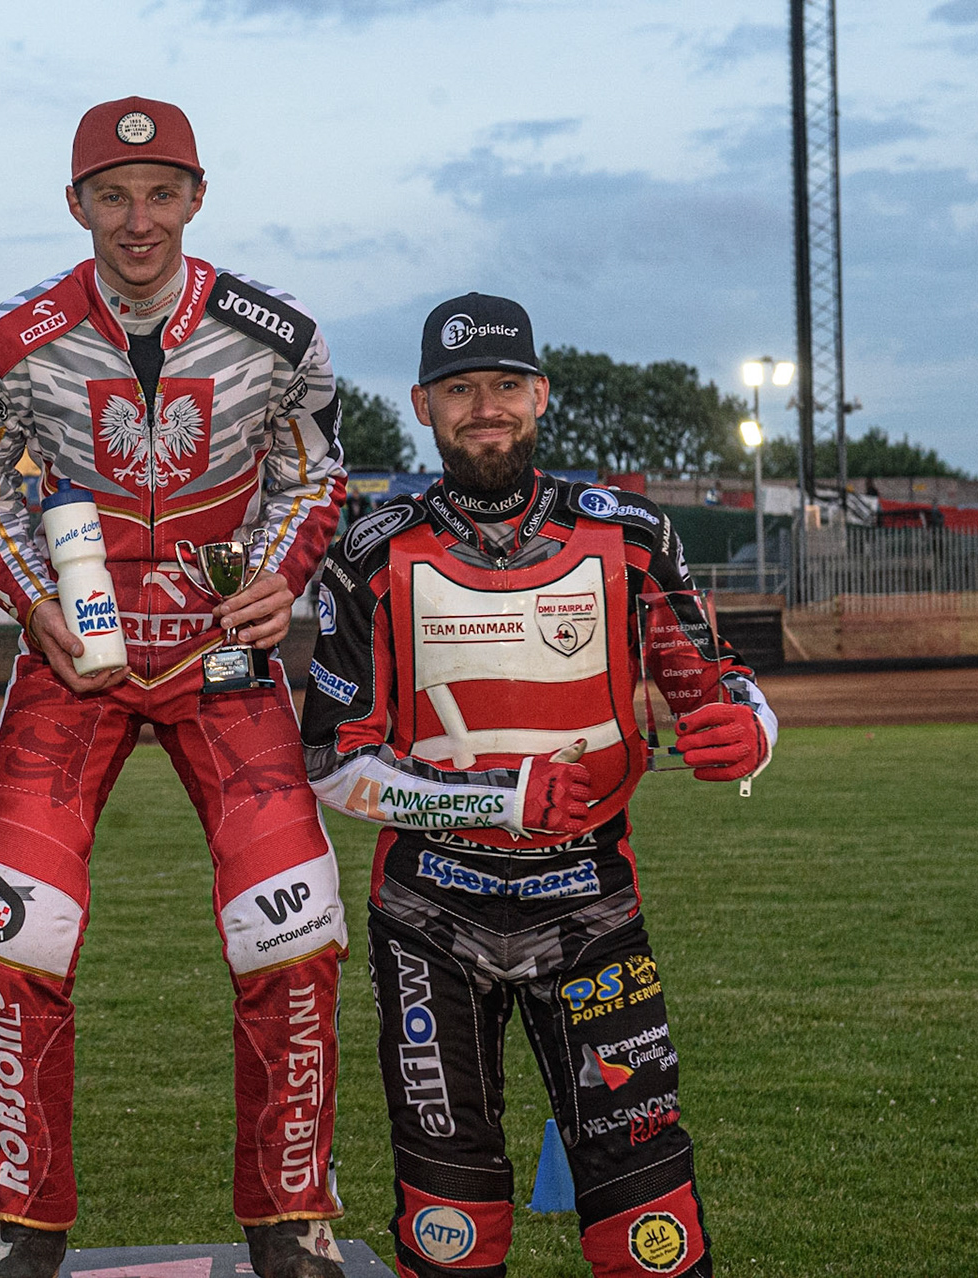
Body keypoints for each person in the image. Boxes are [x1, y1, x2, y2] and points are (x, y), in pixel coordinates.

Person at [0, 98, 350, 1278]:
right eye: (113, 196)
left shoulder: (281, 334)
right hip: (74, 661)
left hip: (220, 658)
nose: (138, 218)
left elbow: (314, 478)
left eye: (160, 192)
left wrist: (276, 582)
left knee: (294, 926)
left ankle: (292, 1220)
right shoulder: (6, 342)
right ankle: (18, 1224)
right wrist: (34, 606)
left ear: (198, 196)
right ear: (75, 203)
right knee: (12, 930)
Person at [301, 294, 775, 1278]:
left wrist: (753, 728)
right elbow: (334, 767)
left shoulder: (630, 536)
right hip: (429, 920)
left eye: (506, 386)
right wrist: (493, 801)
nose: (487, 407)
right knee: (451, 1223)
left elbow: (710, 687)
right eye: (462, 389)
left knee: (649, 1211)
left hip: (592, 911)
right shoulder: (371, 552)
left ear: (541, 396)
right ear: (425, 403)